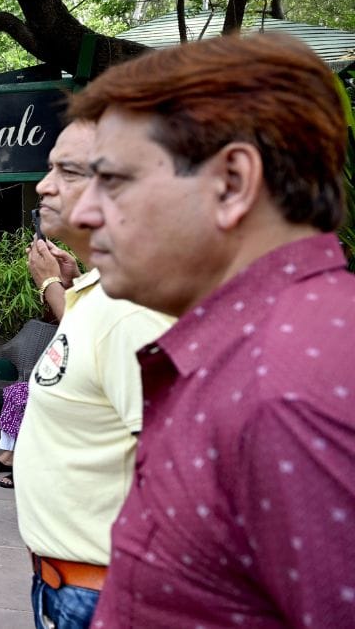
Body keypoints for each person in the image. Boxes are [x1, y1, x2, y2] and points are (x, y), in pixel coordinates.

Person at [66, 33, 355, 626]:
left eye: (113, 180)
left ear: (231, 183)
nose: (82, 212)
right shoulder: (254, 358)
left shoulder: (288, 393)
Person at [7, 122, 174, 628]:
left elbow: (175, 473)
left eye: (68, 170)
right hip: (69, 584)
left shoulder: (133, 312)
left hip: (101, 593)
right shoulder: (102, 295)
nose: (43, 185)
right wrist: (66, 284)